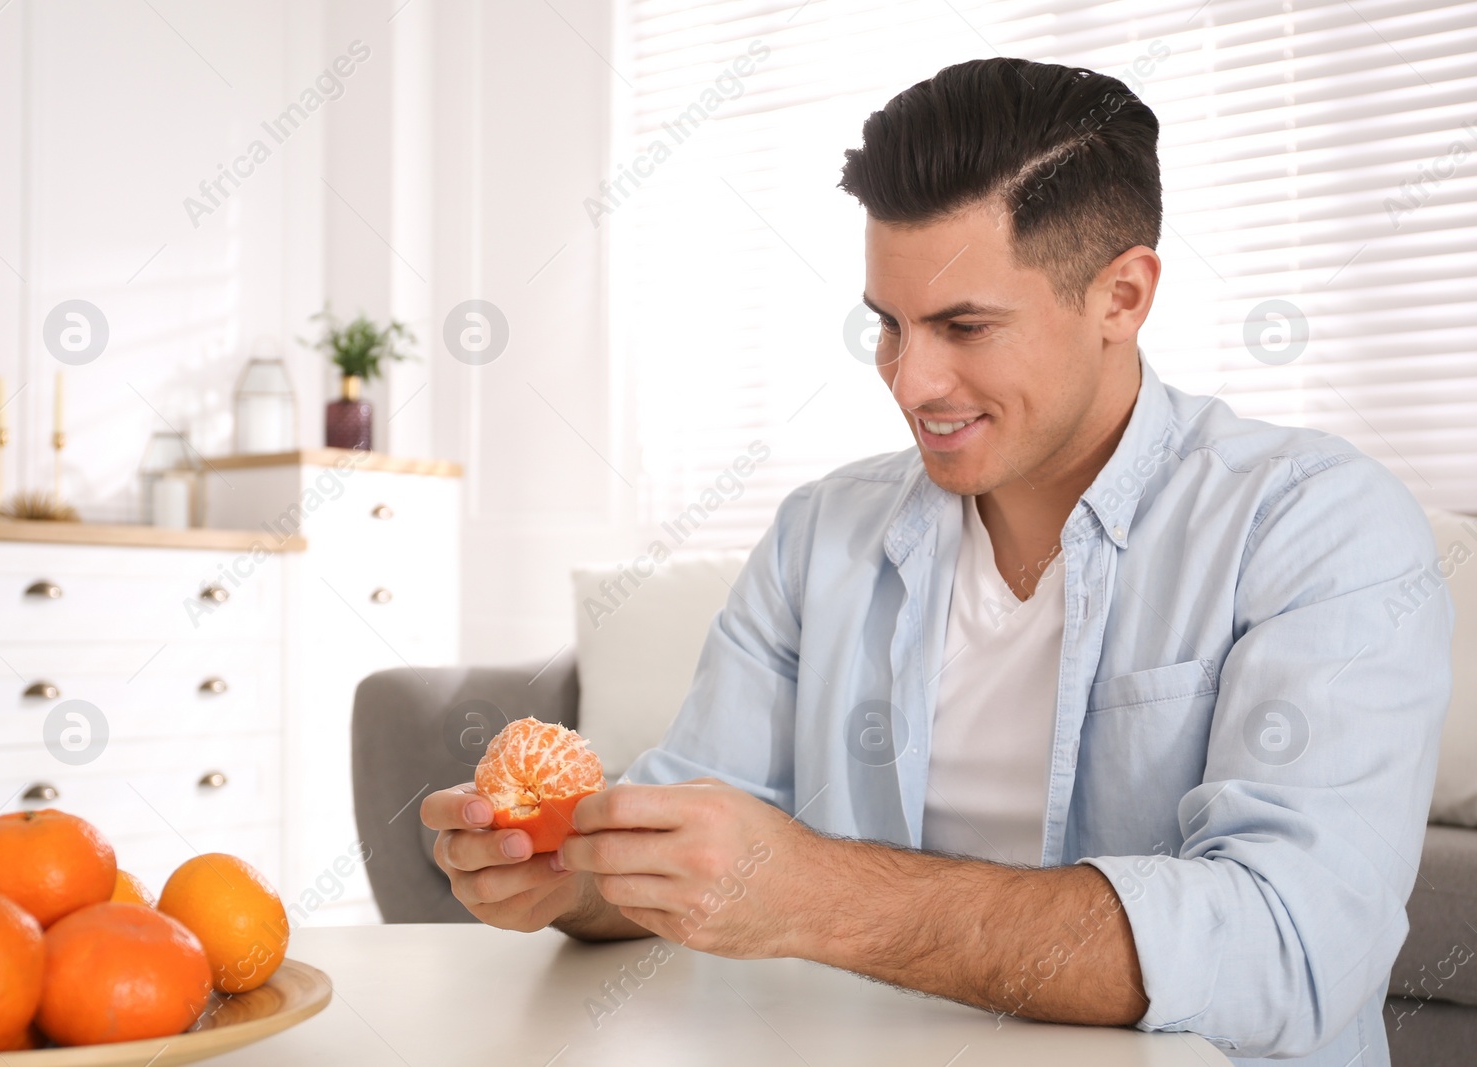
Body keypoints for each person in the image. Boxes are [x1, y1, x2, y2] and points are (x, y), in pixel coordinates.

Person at [421, 57, 1453, 1066]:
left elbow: (1290, 946)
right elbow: (690, 835)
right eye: (888, 325)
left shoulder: (1316, 522)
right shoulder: (821, 534)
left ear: (1122, 296)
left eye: (965, 326)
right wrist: (568, 874)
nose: (910, 380)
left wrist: (815, 892)